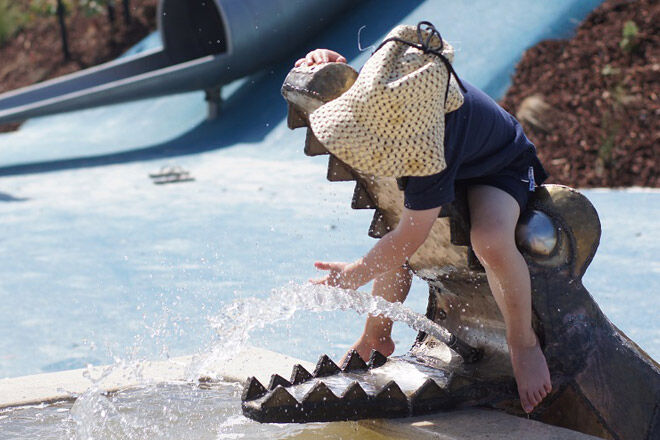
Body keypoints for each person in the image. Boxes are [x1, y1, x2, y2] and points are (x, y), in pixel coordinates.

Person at [297, 23, 552, 414]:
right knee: (396, 226)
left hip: (497, 169)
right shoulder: (390, 83)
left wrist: (355, 274)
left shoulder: (428, 143)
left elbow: (409, 240)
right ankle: (376, 334)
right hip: (452, 158)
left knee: (489, 240)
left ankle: (523, 343)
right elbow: (348, 84)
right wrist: (328, 61)